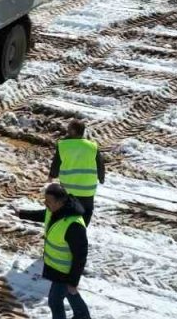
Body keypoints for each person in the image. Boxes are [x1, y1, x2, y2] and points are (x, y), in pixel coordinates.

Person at [18, 182, 91, 319]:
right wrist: (22, 214)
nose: (45, 204)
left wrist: (73, 282)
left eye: (49, 201)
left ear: (61, 201)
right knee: (69, 295)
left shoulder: (74, 225)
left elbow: (80, 256)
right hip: (58, 268)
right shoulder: (55, 210)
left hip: (66, 271)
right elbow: (42, 215)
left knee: (55, 301)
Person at [50, 119, 104, 225]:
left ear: (74, 131)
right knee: (85, 217)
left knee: (67, 217)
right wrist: (101, 178)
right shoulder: (92, 146)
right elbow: (100, 165)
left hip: (69, 191)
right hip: (87, 191)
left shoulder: (63, 145)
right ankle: (80, 235)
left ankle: (66, 237)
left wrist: (52, 175)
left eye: (69, 129)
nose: (67, 131)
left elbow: (56, 163)